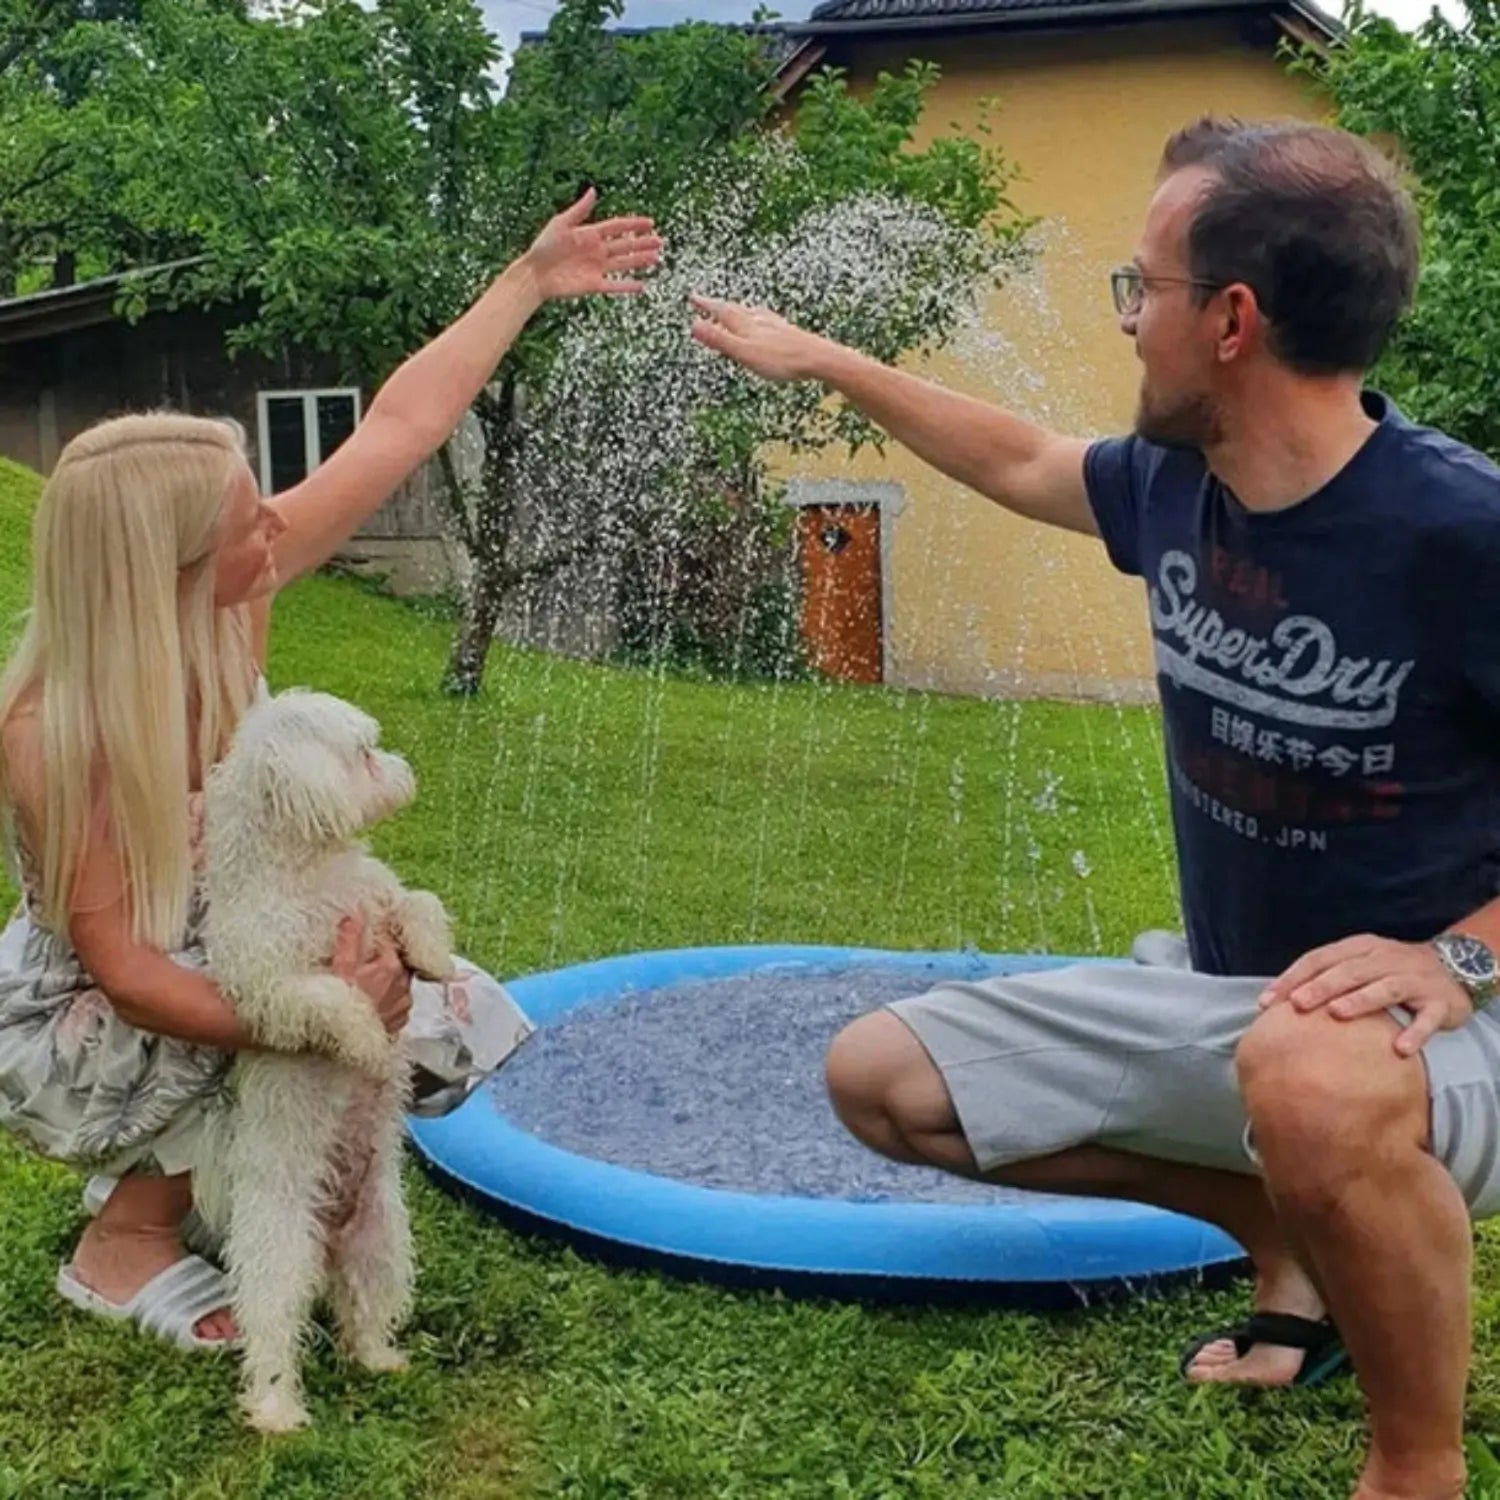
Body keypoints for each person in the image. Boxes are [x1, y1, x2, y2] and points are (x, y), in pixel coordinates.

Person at [692, 117, 1497, 1500]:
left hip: (1448, 1026)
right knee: (881, 1081)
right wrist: (827, 361)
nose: (1129, 323)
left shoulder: (1463, 532)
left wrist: (1462, 953)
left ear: (1233, 320)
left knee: (1306, 1076)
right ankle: (1294, 1237)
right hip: (1251, 1007)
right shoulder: (1175, 487)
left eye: (1145, 289)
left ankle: (1412, 1464)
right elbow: (1014, 458)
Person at [0, 189, 661, 1349]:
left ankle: (226, 1187)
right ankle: (125, 1247)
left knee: (437, 1012)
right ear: (164, 570)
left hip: (238, 943)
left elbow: (398, 427)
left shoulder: (229, 590)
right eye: (251, 523)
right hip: (94, 1024)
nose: (284, 533)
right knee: (289, 991)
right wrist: (319, 1018)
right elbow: (130, 971)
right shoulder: (60, 732)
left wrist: (527, 278)